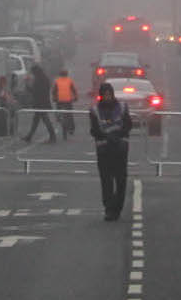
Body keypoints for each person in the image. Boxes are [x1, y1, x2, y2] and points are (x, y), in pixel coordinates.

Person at [89, 81, 133, 222]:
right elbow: (94, 130)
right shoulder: (95, 110)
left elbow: (128, 125)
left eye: (109, 94)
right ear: (101, 95)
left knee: (121, 181)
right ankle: (109, 209)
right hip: (104, 150)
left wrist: (117, 136)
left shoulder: (122, 107)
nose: (107, 97)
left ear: (113, 94)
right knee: (106, 181)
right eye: (105, 94)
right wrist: (107, 136)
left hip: (120, 149)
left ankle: (117, 208)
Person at [24, 61, 57, 143]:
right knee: (36, 120)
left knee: (45, 119)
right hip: (42, 101)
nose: (32, 74)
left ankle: (52, 136)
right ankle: (29, 136)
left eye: (33, 72)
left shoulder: (40, 79)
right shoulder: (43, 77)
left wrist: (28, 87)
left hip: (40, 103)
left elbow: (36, 91)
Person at [52, 66, 79, 140]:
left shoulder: (57, 81)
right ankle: (71, 129)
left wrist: (54, 98)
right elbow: (74, 90)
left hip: (59, 101)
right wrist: (76, 97)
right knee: (69, 114)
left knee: (59, 113)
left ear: (60, 74)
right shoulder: (70, 81)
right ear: (67, 74)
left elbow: (54, 91)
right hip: (68, 100)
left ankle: (59, 119)